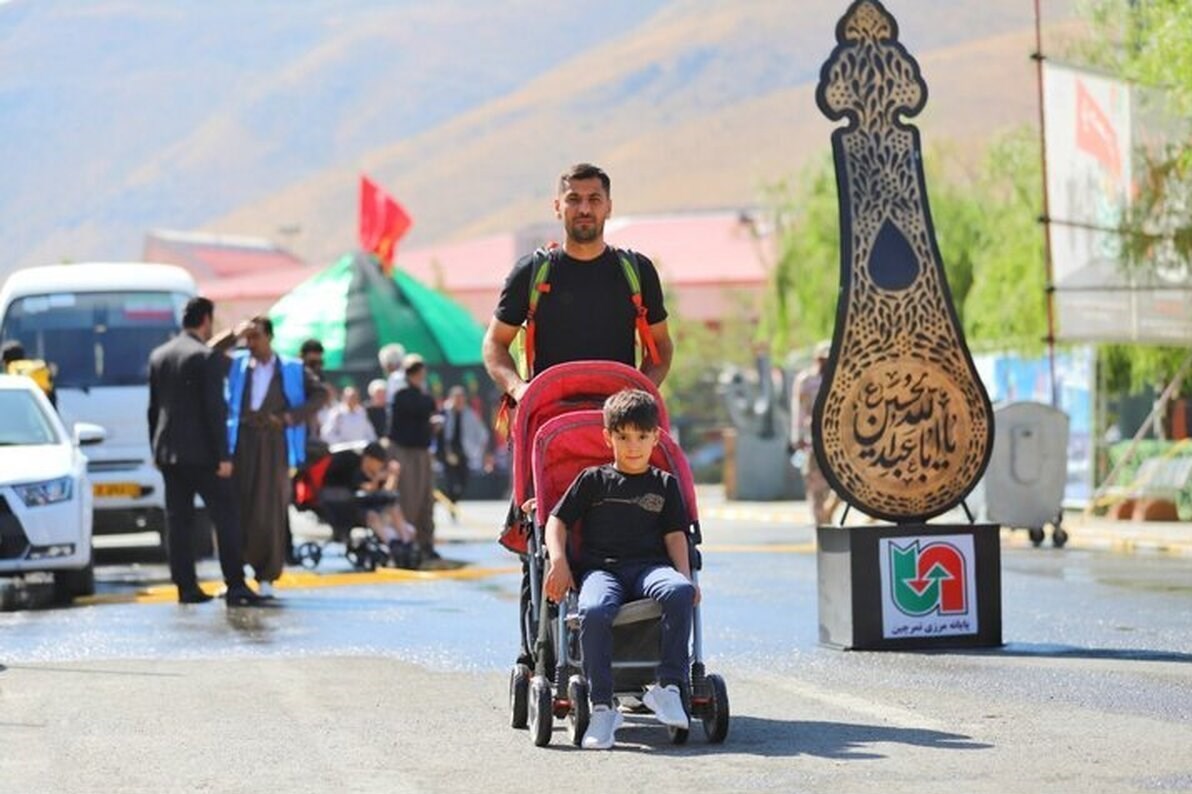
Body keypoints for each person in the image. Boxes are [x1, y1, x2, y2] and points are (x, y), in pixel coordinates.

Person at [544, 388, 697, 750]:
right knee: (594, 609)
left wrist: (686, 575)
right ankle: (602, 707)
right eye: (623, 437)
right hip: (602, 571)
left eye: (642, 437)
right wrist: (559, 560)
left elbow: (676, 536)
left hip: (650, 568)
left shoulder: (664, 484)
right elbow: (556, 521)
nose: (633, 446)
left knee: (680, 591)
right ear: (607, 437)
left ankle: (668, 687)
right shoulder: (592, 480)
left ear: (656, 438)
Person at [482, 162, 674, 403]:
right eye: (573, 199)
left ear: (609, 207)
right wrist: (519, 389)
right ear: (557, 207)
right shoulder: (531, 272)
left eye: (594, 199)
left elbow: (661, 345)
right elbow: (495, 342)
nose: (584, 209)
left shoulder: (637, 271)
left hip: (619, 422)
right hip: (548, 417)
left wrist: (639, 396)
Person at [146, 297, 266, 607]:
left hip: (169, 454)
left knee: (178, 522)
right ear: (206, 320)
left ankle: (186, 587)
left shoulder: (159, 355)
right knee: (226, 516)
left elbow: (153, 409)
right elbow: (215, 410)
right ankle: (235, 584)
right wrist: (224, 456)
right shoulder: (205, 357)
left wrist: (155, 450)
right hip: (204, 456)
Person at [224, 316, 325, 597]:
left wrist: (290, 417)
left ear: (269, 337)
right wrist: (234, 334)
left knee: (269, 508)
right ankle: (235, 576)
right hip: (240, 441)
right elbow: (207, 354)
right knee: (236, 506)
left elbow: (320, 394)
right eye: (248, 337)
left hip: (273, 443)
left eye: (255, 336)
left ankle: (266, 574)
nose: (251, 343)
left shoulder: (291, 368)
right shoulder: (237, 364)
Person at [319, 441, 419, 568]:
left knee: (393, 507)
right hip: (350, 508)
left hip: (372, 509)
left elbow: (387, 492)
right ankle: (392, 545)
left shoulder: (373, 472)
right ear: (368, 459)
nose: (380, 466)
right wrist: (378, 478)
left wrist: (392, 476)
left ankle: (406, 541)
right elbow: (366, 489)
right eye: (378, 462)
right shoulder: (356, 469)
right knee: (373, 516)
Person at [387, 354, 441, 559]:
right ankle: (407, 541)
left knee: (426, 498)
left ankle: (425, 542)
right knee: (408, 497)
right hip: (405, 451)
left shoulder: (421, 394)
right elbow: (421, 406)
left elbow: (430, 409)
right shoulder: (402, 394)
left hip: (422, 451)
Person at [790, 340, 839, 526]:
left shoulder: (840, 378)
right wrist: (797, 437)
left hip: (837, 441)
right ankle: (821, 526)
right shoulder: (806, 380)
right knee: (815, 485)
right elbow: (799, 409)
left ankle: (829, 511)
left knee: (843, 485)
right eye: (822, 359)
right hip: (813, 440)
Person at [437, 385, 490, 504]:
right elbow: (439, 435)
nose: (459, 401)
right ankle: (451, 502)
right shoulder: (443, 412)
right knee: (450, 479)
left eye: (461, 398)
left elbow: (482, 433)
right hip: (447, 451)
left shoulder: (469, 414)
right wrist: (446, 452)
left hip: (463, 451)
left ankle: (453, 500)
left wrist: (479, 449)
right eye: (457, 398)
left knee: (464, 479)